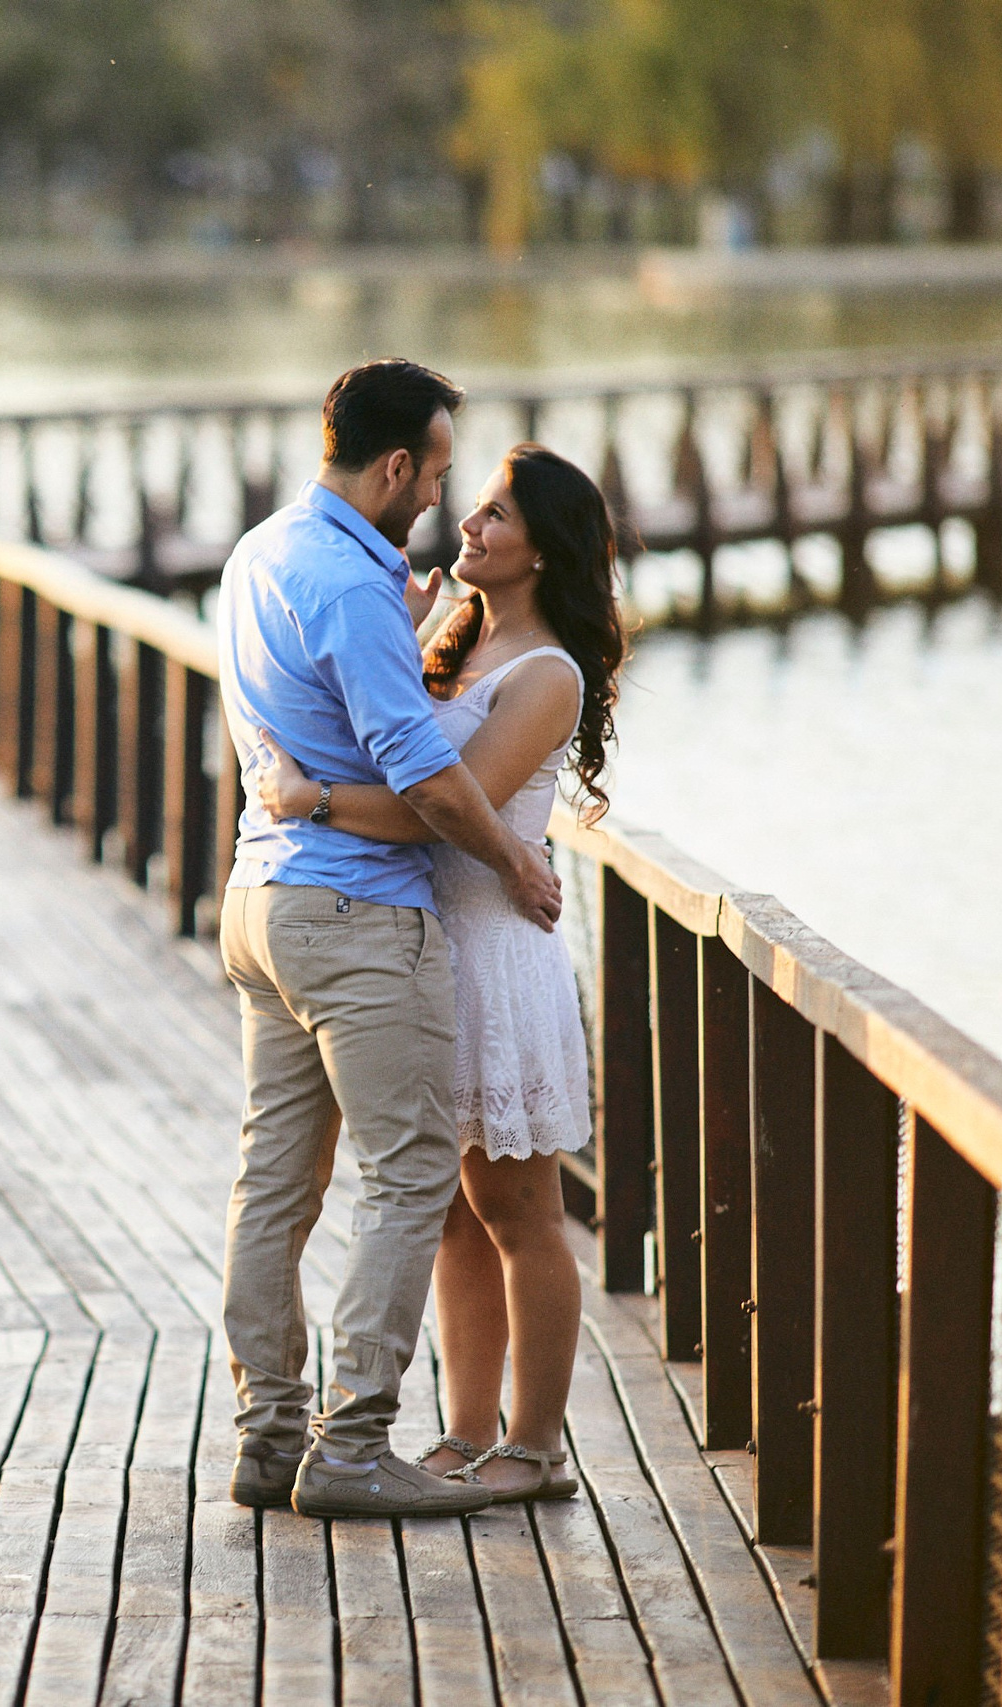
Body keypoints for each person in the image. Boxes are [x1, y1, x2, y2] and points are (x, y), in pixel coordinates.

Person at [216, 359, 564, 1521]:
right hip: (357, 913)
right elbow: (424, 780)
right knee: (412, 1175)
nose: (440, 501)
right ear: (396, 464)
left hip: (259, 902)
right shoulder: (356, 586)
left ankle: (268, 1433)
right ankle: (355, 1442)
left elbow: (311, 732)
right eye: (439, 473)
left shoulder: (259, 554)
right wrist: (517, 858)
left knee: (275, 1184)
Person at [256, 443, 625, 1504]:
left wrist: (307, 802)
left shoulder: (544, 674)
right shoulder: (455, 643)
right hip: (425, 952)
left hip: (497, 958)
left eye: (497, 516)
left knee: (518, 1209)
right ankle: (463, 1432)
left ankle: (536, 1443)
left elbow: (443, 813)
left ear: (543, 550)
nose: (468, 525)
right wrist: (410, 633)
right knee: (452, 1211)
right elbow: (397, 753)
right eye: (474, 509)